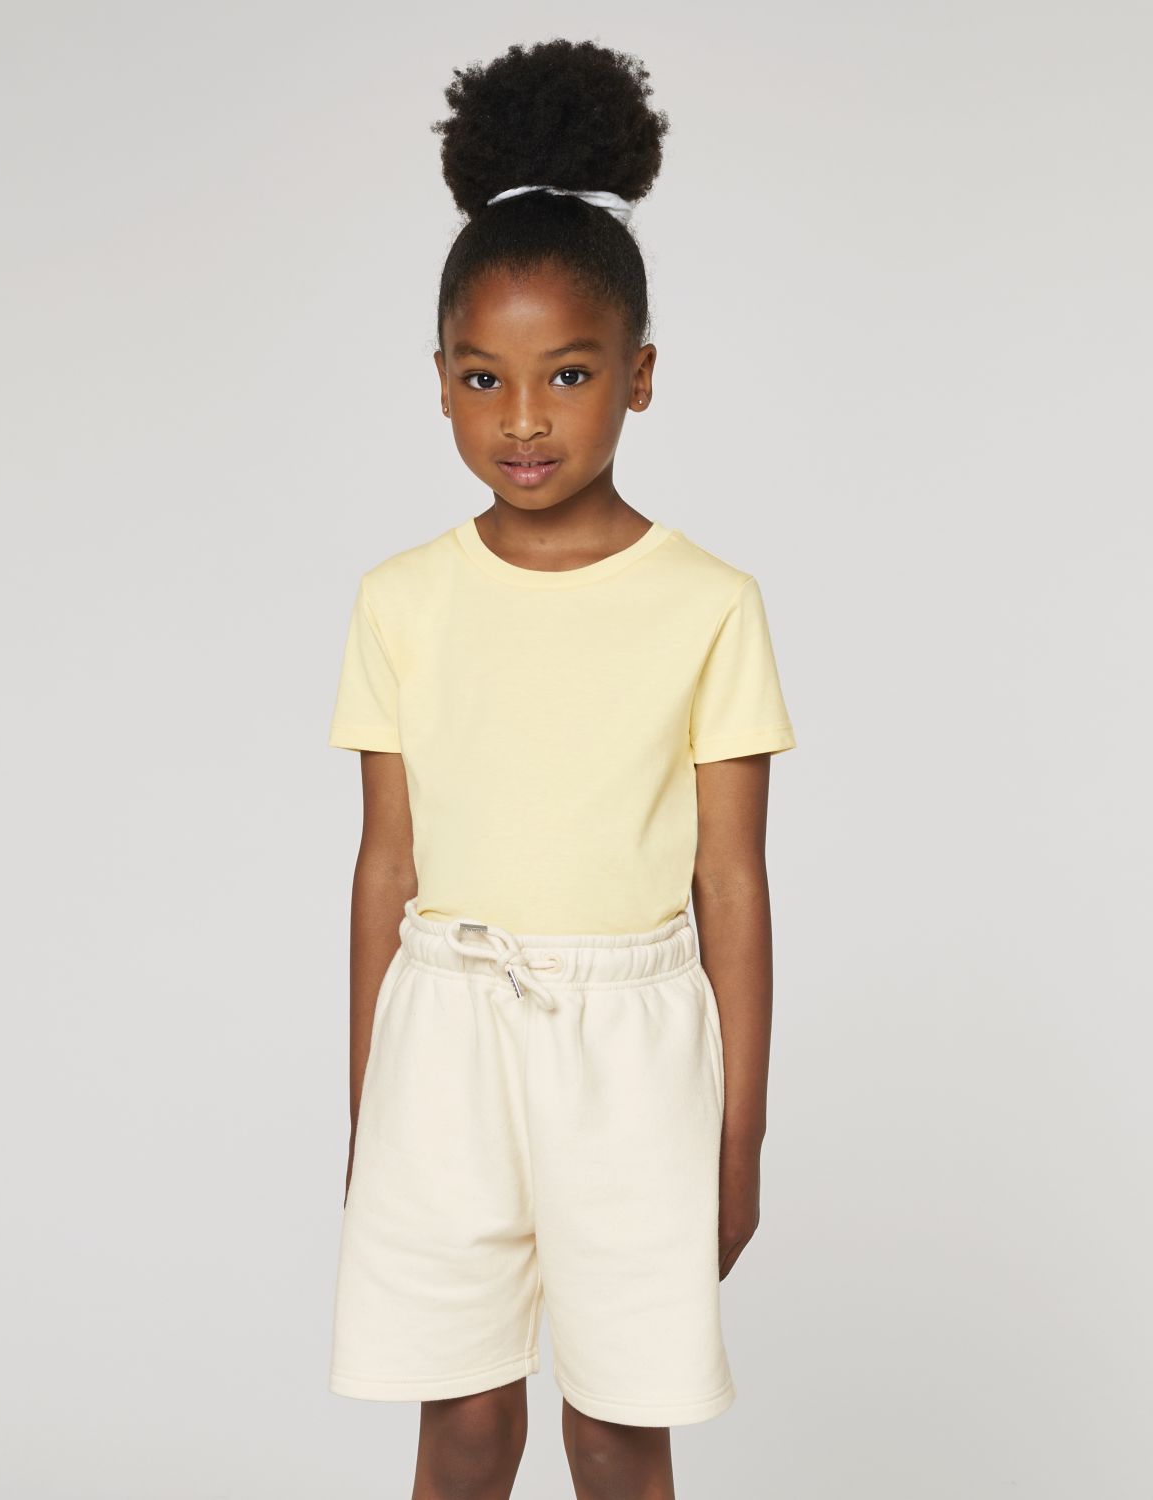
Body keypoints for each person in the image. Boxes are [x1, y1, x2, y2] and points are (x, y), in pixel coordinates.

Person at [325, 37, 797, 1500]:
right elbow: (386, 866)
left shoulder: (708, 604)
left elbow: (732, 884)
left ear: (638, 378)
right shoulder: (402, 600)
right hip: (445, 1033)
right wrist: (372, 1111)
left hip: (633, 1052)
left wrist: (739, 1140)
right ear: (441, 384)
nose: (523, 418)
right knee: (466, 1423)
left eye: (569, 374)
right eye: (484, 377)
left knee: (614, 1428)